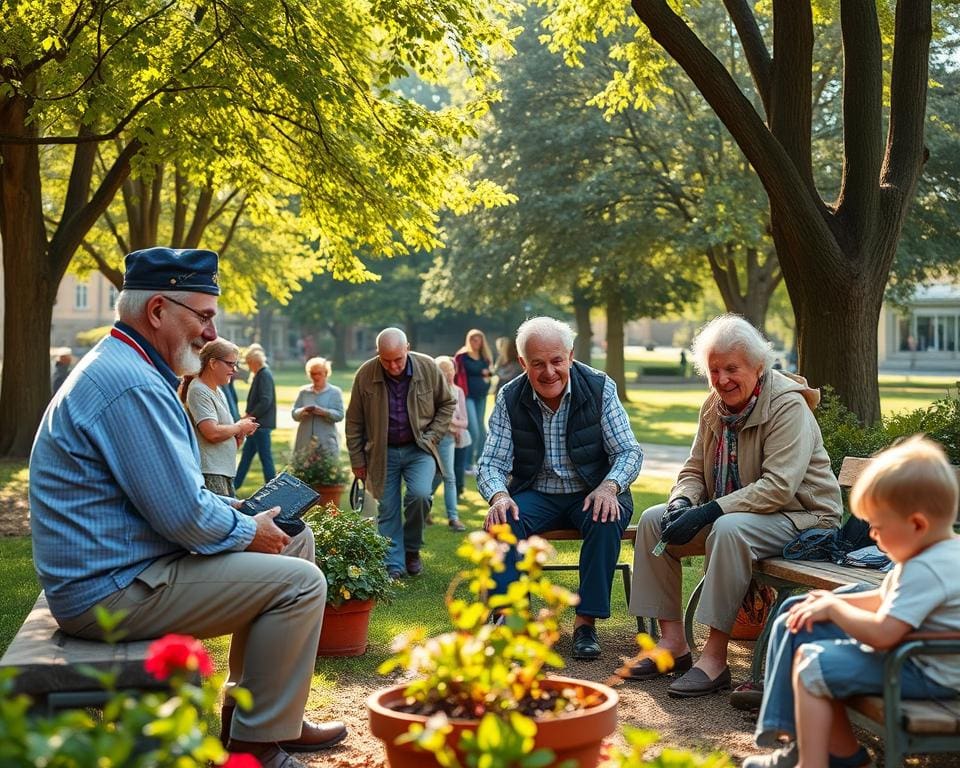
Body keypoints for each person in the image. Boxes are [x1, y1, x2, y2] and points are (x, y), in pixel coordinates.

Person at [29, 247, 346, 767]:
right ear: (158, 311)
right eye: (202, 315)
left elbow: (171, 496)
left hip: (126, 563)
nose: (209, 330)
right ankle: (256, 745)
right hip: (108, 590)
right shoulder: (130, 384)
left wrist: (242, 508)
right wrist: (247, 529)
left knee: (297, 539)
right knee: (300, 580)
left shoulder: (128, 367)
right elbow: (184, 519)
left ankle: (263, 714)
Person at [625, 314, 842, 698]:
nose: (722, 379)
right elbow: (694, 469)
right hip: (747, 514)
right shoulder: (713, 406)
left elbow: (778, 487)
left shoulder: (788, 407)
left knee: (728, 527)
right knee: (654, 520)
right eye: (714, 369)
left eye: (731, 368)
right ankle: (672, 644)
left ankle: (714, 659)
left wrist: (707, 511)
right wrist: (682, 501)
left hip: (804, 517)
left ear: (758, 367)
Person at [745, 436, 960, 768]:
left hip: (927, 672)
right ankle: (844, 757)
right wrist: (829, 601)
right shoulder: (936, 552)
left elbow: (884, 634)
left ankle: (810, 762)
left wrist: (834, 608)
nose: (871, 535)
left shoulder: (926, 567)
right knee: (802, 617)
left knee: (814, 663)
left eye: (877, 526)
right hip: (923, 662)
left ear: (917, 524)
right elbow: (884, 598)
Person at [477, 316, 643, 660]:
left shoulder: (599, 386)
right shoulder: (510, 396)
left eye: (556, 361)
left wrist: (610, 487)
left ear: (570, 355)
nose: (549, 372)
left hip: (594, 490)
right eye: (537, 363)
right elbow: (491, 462)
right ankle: (513, 621)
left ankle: (585, 623)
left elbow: (628, 450)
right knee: (504, 520)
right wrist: (499, 495)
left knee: (605, 517)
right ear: (523, 363)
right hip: (537, 493)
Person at [345, 327, 455, 579]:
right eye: (386, 360)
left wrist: (432, 437)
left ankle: (412, 549)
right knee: (388, 508)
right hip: (382, 452)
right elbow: (354, 421)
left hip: (420, 449)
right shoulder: (365, 374)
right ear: (378, 354)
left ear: (407, 348)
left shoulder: (427, 367)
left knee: (420, 496)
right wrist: (357, 460)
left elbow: (447, 403)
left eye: (398, 359)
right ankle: (394, 564)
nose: (393, 366)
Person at [182, 338, 260, 497]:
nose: (234, 370)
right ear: (212, 363)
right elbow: (212, 432)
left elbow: (223, 432)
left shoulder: (218, 391)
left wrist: (239, 434)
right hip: (210, 473)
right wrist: (239, 427)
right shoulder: (198, 390)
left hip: (222, 471)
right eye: (230, 364)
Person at [432, 355, 469, 531]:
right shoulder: (432, 392)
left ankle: (452, 517)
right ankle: (449, 516)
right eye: (444, 371)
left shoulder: (458, 391)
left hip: (448, 440)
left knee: (446, 476)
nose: (449, 374)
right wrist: (452, 423)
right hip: (432, 439)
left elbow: (465, 422)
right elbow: (433, 420)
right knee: (441, 476)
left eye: (450, 370)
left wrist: (451, 424)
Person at [235, 347, 277, 488]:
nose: (248, 366)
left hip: (261, 425)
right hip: (256, 425)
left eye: (248, 362)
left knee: (265, 459)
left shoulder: (264, 375)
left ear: (254, 362)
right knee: (246, 458)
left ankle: (273, 489)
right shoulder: (260, 374)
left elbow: (266, 400)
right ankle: (234, 487)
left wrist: (250, 415)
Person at [454, 329, 493, 472]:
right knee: (473, 429)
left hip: (482, 395)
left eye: (478, 340)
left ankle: (480, 461)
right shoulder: (462, 357)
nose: (476, 342)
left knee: (482, 430)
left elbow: (490, 373)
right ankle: (467, 463)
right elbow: (457, 373)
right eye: (473, 339)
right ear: (468, 340)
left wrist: (486, 375)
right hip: (467, 396)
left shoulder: (485, 357)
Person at [292, 357, 344, 457]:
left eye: (319, 373)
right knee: (302, 470)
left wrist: (325, 412)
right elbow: (294, 413)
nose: (316, 377)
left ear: (326, 373)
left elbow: (340, 415)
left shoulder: (334, 392)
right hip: (304, 440)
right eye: (313, 373)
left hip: (326, 440)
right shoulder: (304, 392)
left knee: (326, 469)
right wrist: (302, 411)